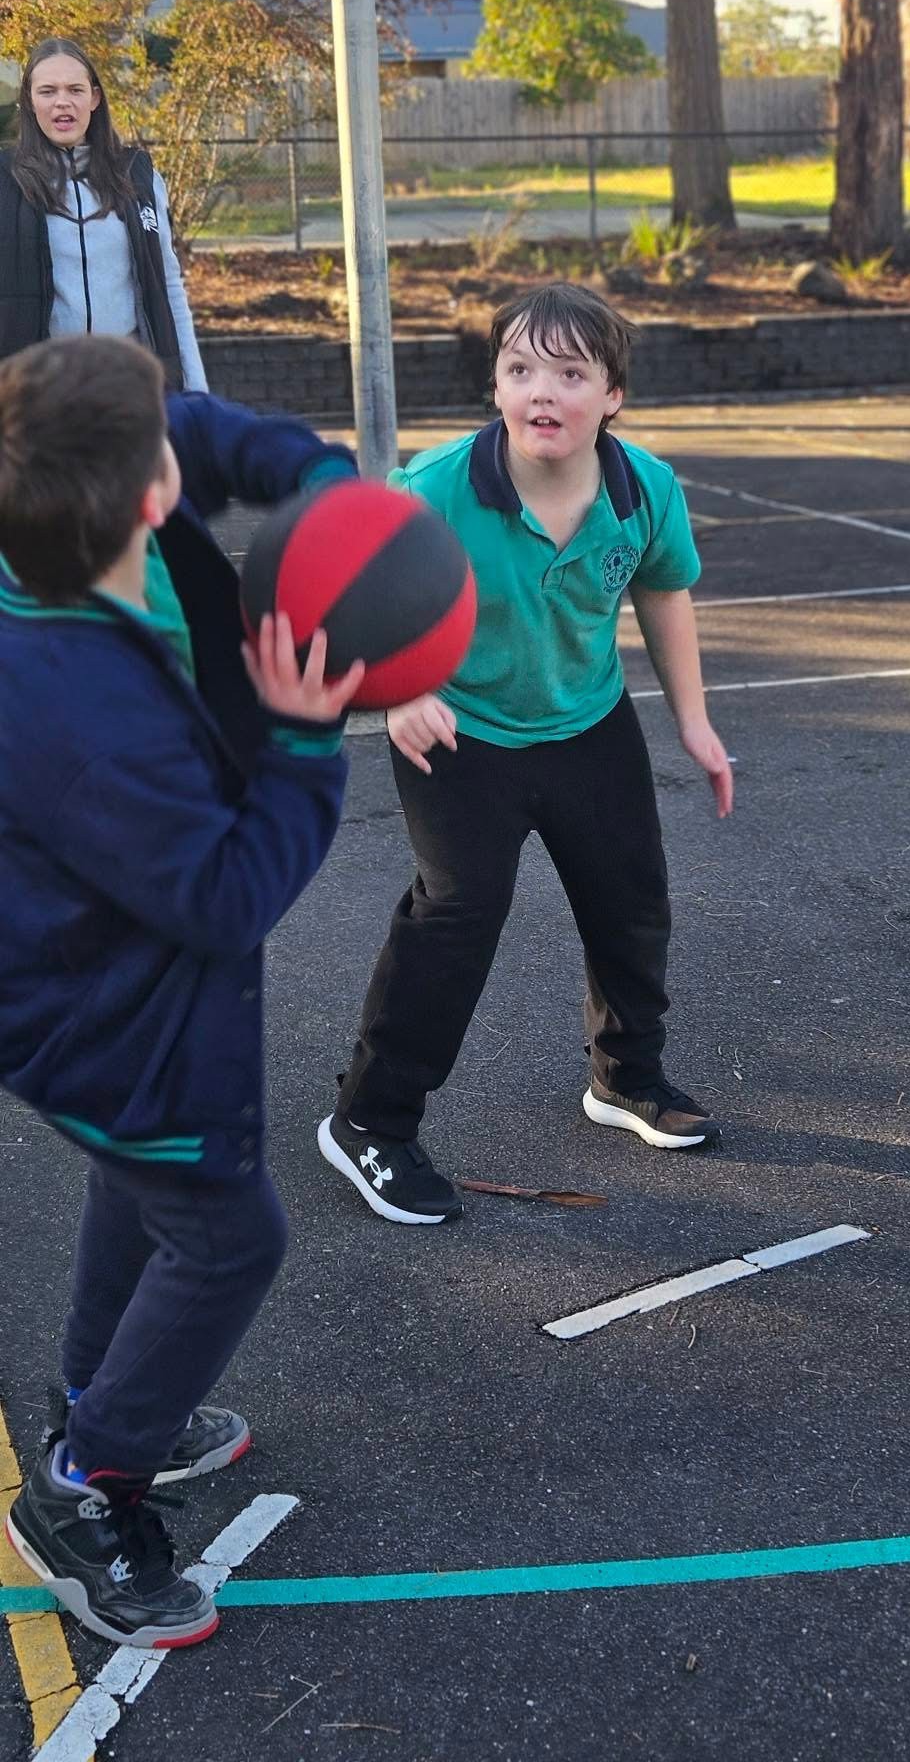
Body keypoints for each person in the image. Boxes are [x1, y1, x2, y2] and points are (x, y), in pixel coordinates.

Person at [0, 332, 364, 1648]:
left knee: (137, 1178)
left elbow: (204, 429)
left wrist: (319, 483)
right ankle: (86, 1487)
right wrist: (307, 742)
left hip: (78, 984)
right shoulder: (83, 720)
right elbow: (225, 895)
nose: (188, 443)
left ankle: (99, 1396)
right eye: (167, 443)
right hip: (104, 1014)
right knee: (226, 1234)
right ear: (148, 495)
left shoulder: (56, 528)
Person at [319, 282, 734, 1228]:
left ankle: (625, 1078)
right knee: (458, 911)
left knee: (631, 899)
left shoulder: (643, 490)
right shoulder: (435, 490)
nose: (541, 390)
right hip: (460, 728)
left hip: (586, 721)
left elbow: (663, 589)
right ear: (497, 387)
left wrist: (695, 721)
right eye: (519, 369)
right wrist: (401, 690)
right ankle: (369, 1121)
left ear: (613, 395)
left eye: (570, 373)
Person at [0, 36, 206, 390]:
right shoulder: (6, 180)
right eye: (47, 91)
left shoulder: (137, 175)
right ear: (30, 101)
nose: (62, 102)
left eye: (75, 90)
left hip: (130, 389)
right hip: (40, 395)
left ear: (94, 98)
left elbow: (169, 287)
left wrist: (197, 389)